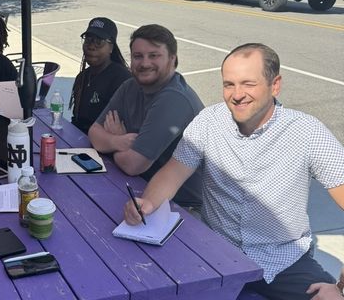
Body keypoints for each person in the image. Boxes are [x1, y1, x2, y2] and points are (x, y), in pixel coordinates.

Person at [123, 43, 344, 300]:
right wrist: (146, 204)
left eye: (248, 84)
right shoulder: (208, 122)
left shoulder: (306, 132)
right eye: (229, 84)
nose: (237, 94)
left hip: (284, 259)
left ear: (275, 85)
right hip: (217, 254)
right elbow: (173, 173)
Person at [89, 24, 204, 207]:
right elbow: (94, 132)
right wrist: (119, 142)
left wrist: (112, 141)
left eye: (154, 55)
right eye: (138, 56)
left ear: (172, 59)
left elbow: (133, 165)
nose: (144, 63)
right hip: (138, 187)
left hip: (180, 206)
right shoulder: (130, 86)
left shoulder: (174, 98)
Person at [70, 17, 131, 133]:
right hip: (77, 140)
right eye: (88, 40)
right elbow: (77, 119)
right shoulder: (82, 77)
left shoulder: (122, 80)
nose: (92, 46)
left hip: (104, 145)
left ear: (111, 47)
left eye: (99, 42)